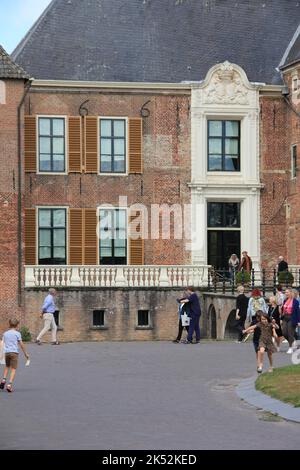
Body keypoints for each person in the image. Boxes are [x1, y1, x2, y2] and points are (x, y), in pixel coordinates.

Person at [0, 319, 29, 393]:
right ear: (17, 325)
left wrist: (1, 353)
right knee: (13, 369)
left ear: (9, 324)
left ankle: (3, 380)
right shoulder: (17, 334)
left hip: (7, 353)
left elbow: (2, 343)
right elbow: (21, 344)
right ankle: (9, 385)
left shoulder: (5, 333)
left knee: (7, 366)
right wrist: (25, 353)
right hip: (14, 353)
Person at [281, 287, 300, 354]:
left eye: (287, 292)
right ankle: (296, 338)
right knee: (284, 333)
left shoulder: (295, 301)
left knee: (290, 333)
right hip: (285, 318)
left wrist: (298, 321)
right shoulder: (285, 300)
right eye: (285, 292)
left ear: (291, 293)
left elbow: (297, 311)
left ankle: (290, 347)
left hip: (292, 318)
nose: (286, 293)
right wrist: (281, 318)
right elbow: (283, 310)